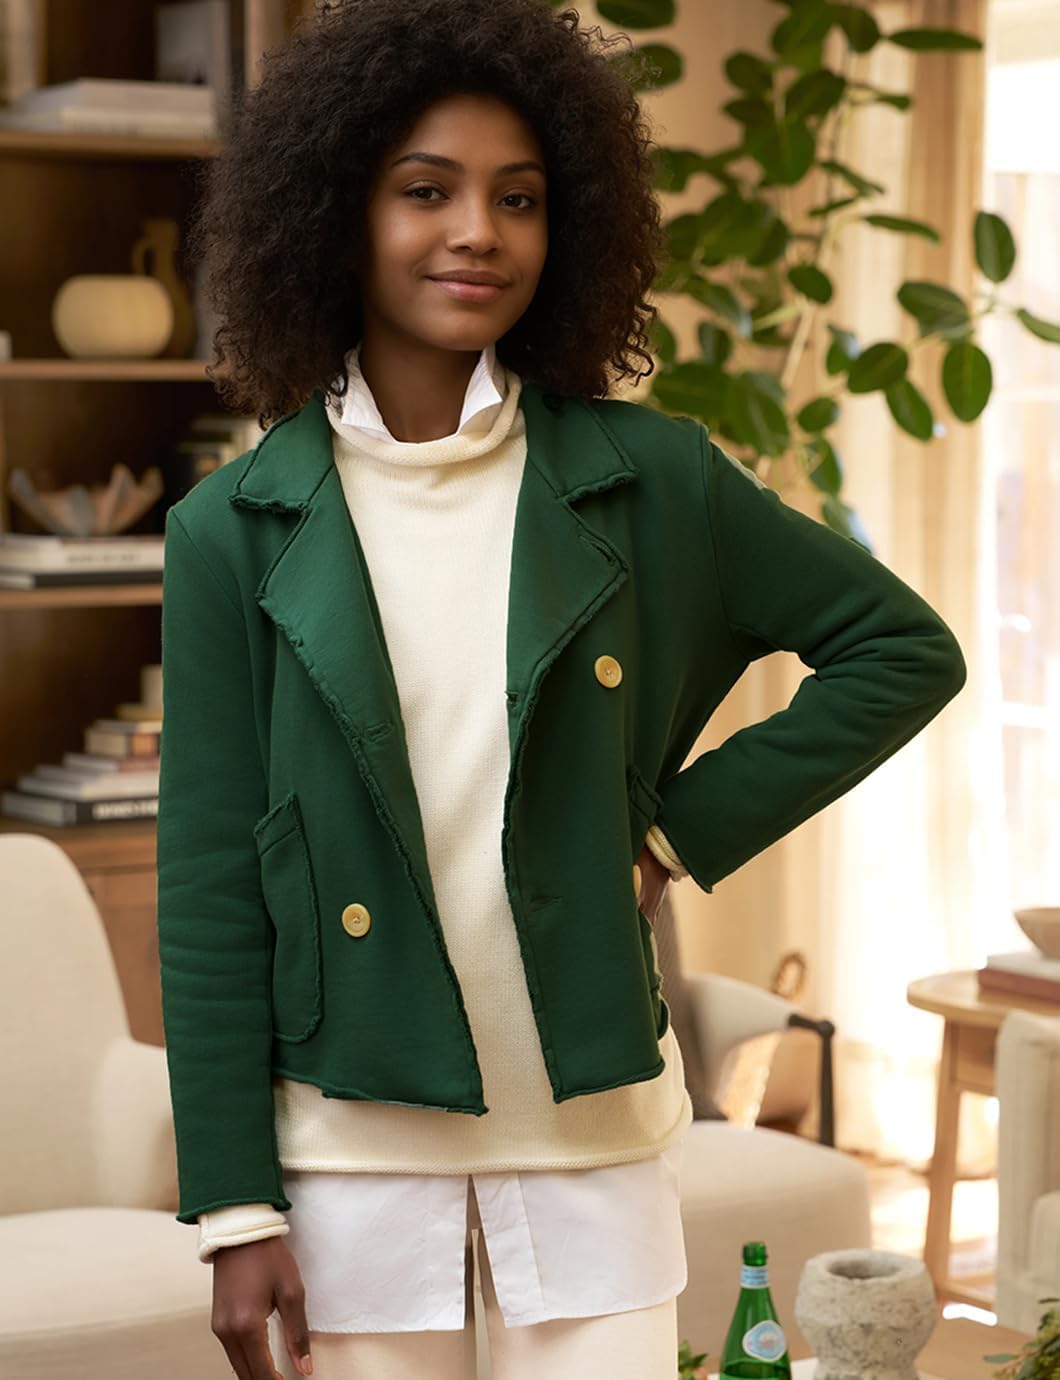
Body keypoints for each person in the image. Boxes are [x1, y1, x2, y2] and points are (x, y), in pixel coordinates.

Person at [155, 2, 967, 1378]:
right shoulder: (229, 529)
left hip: (592, 1139)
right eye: (427, 190)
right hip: (350, 1155)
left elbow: (902, 650)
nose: (477, 230)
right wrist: (237, 1207)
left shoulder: (651, 480)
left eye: (518, 198)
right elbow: (209, 887)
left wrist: (672, 837)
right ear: (336, 214)